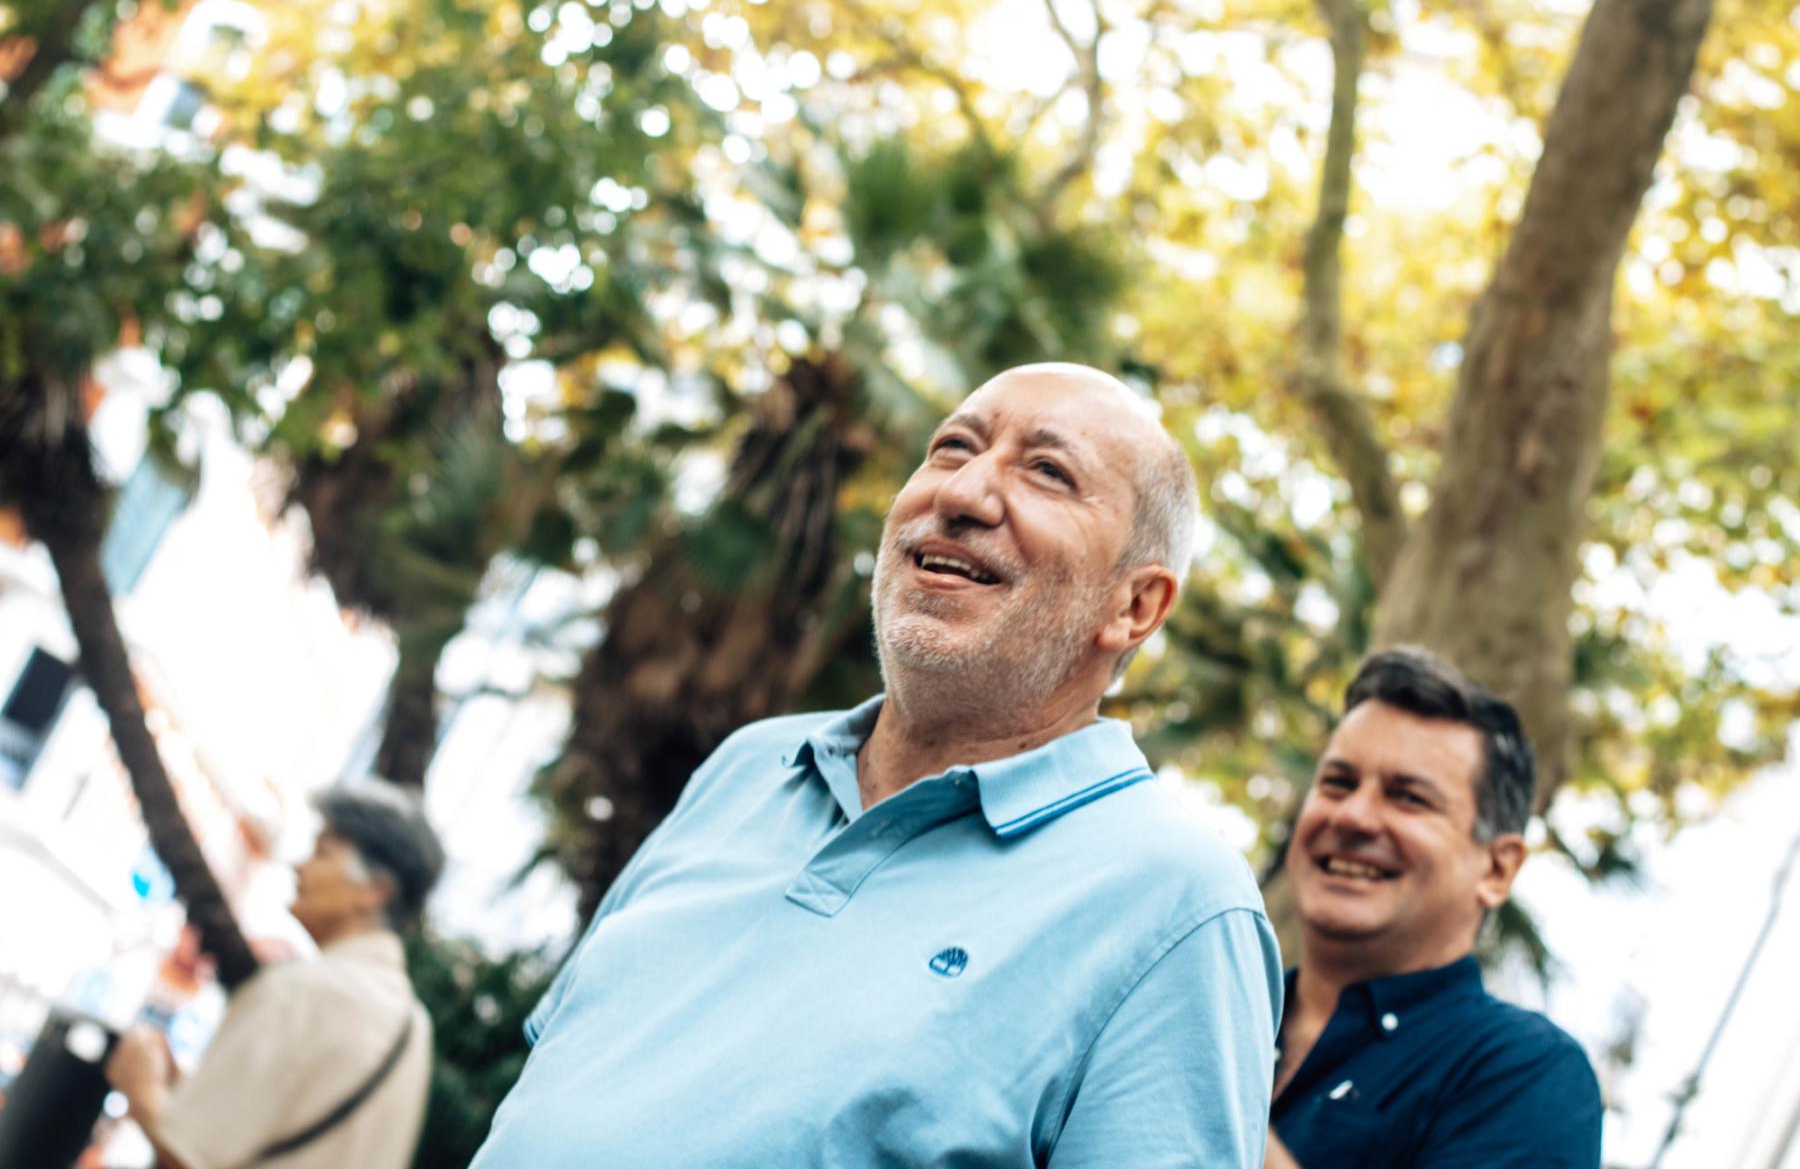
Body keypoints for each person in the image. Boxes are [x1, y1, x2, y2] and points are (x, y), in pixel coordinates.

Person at [473, 363, 1283, 1167]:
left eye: (1047, 471)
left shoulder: (1179, 902)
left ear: (1134, 606)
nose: (963, 492)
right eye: (952, 447)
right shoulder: (751, 765)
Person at [1267, 647, 1603, 1169]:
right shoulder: (1219, 1008)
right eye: (1338, 784)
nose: (1353, 816)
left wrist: (1209, 1108)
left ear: (1497, 870)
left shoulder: (1525, 1071)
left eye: (1409, 798)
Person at [105, 779, 444, 1169]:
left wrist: (141, 1089)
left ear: (375, 890)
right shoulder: (414, 1027)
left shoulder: (301, 989)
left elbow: (192, 1158)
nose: (300, 866)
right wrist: (188, 1091)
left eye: (322, 852)